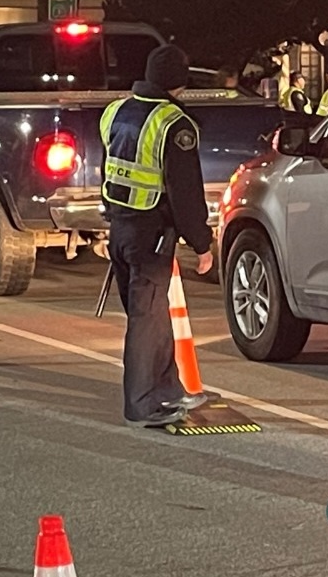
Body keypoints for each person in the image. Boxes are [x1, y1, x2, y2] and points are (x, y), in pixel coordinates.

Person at [100, 44, 215, 428]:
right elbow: (185, 191)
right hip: (151, 234)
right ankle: (142, 403)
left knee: (152, 313)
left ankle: (168, 389)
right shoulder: (174, 124)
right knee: (146, 319)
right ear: (178, 83)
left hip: (120, 227)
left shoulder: (115, 112)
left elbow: (112, 171)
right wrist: (202, 243)